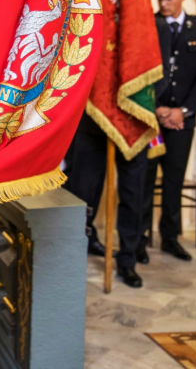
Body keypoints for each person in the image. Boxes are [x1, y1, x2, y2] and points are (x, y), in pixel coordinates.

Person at [137, 0, 196, 262]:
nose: (164, 2)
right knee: (144, 179)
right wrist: (157, 109)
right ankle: (139, 239)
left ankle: (170, 238)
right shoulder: (149, 25)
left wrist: (183, 111)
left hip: (182, 120)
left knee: (174, 179)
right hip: (151, 118)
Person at [64, 112, 148, 288]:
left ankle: (127, 262)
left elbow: (157, 83)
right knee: (82, 193)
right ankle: (72, 256)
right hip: (93, 120)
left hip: (133, 123)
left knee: (133, 194)